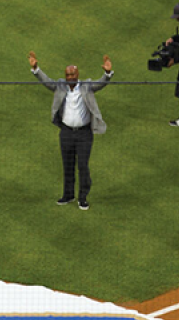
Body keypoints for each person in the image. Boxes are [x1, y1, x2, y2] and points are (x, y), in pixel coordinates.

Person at [28, 51, 114, 210]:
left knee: (82, 166)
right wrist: (36, 69)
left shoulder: (87, 86)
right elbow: (46, 82)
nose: (70, 77)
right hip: (66, 132)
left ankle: (83, 198)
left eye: (73, 74)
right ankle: (68, 195)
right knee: (67, 165)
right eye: (68, 75)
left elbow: (101, 84)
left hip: (84, 134)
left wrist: (107, 73)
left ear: (78, 74)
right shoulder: (60, 86)